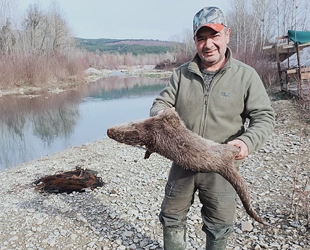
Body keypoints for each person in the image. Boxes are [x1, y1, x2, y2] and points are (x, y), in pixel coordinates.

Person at [149, 6, 275, 250]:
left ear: (227, 35)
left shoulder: (246, 76)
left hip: (222, 167)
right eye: (201, 38)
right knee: (171, 218)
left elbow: (264, 117)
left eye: (214, 36)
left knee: (219, 226)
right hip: (183, 162)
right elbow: (160, 103)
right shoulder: (181, 74)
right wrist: (161, 116)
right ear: (195, 41)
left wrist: (246, 142)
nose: (208, 44)